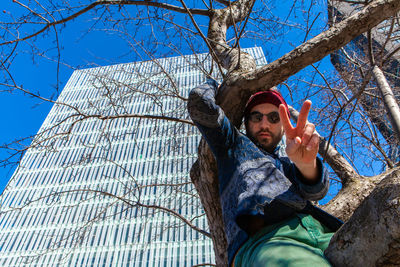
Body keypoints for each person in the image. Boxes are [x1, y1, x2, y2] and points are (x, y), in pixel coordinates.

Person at [187, 79, 342, 267]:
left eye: (274, 118)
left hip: (325, 233)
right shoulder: (234, 145)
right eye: (256, 117)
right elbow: (200, 103)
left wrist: (306, 164)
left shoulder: (288, 163)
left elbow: (317, 192)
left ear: (283, 126)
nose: (264, 124)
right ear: (246, 122)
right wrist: (221, 86)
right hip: (267, 241)